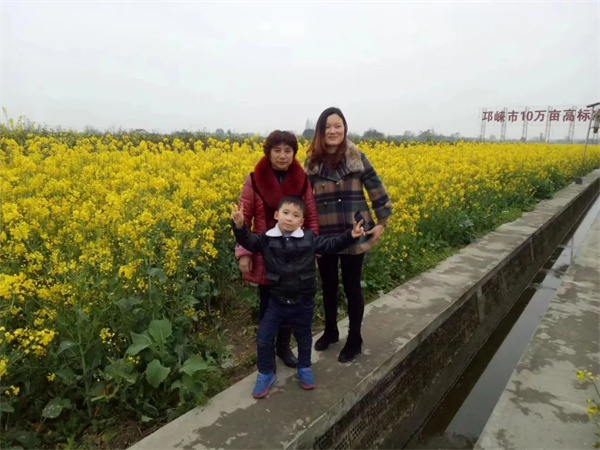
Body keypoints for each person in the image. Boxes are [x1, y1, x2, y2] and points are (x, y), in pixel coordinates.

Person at [231, 196, 365, 398]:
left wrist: (350, 235)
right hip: (276, 301)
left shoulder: (309, 238)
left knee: (303, 337)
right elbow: (248, 241)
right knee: (264, 338)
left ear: (302, 221)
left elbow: (330, 244)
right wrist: (240, 226)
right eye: (285, 213)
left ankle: (304, 368)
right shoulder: (267, 238)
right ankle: (265, 373)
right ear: (276, 215)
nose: (289, 218)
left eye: (295, 215)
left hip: (303, 301)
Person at [305, 107, 392, 363]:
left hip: (356, 230)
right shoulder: (312, 163)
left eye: (338, 126)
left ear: (344, 129)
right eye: (327, 127)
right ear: (320, 131)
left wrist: (382, 223)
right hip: (325, 234)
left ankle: (355, 338)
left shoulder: (356, 157)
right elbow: (304, 200)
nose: (333, 131)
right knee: (329, 285)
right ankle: (331, 331)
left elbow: (376, 188)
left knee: (353, 287)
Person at [236, 130, 319, 369]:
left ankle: (283, 348)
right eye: (277, 150)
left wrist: (312, 253)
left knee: (291, 305)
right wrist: (244, 253)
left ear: (294, 153)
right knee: (268, 305)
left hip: (296, 255)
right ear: (269, 152)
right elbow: (244, 217)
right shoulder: (254, 180)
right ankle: (266, 353)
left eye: (288, 151)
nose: (282, 156)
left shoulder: (302, 180)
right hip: (266, 254)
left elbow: (311, 217)